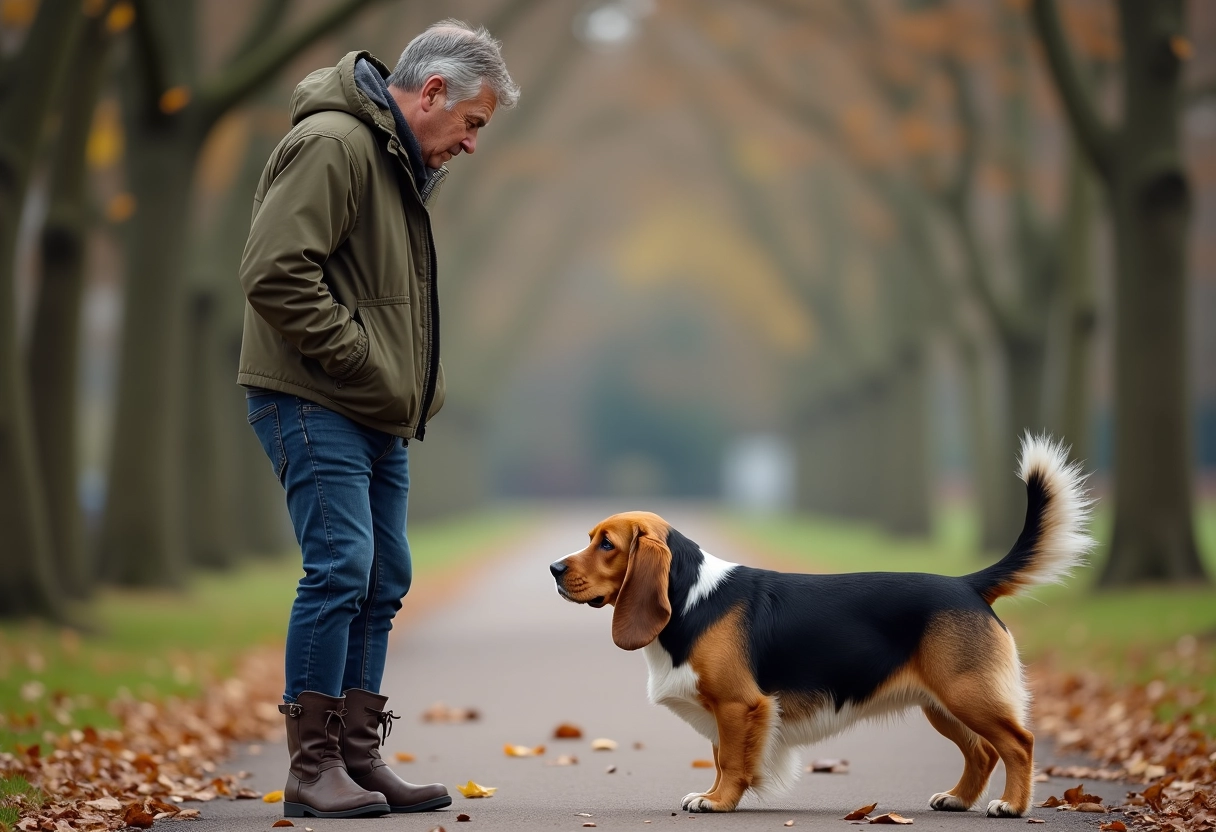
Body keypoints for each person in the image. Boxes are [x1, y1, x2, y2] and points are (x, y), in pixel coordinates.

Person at [235, 21, 519, 820]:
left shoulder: (394, 163)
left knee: (383, 577)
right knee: (340, 567)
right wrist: (364, 361)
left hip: (373, 411)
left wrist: (393, 383)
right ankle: (311, 766)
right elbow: (274, 273)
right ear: (431, 93)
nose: (471, 146)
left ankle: (357, 760)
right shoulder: (335, 143)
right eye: (472, 124)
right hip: (314, 395)